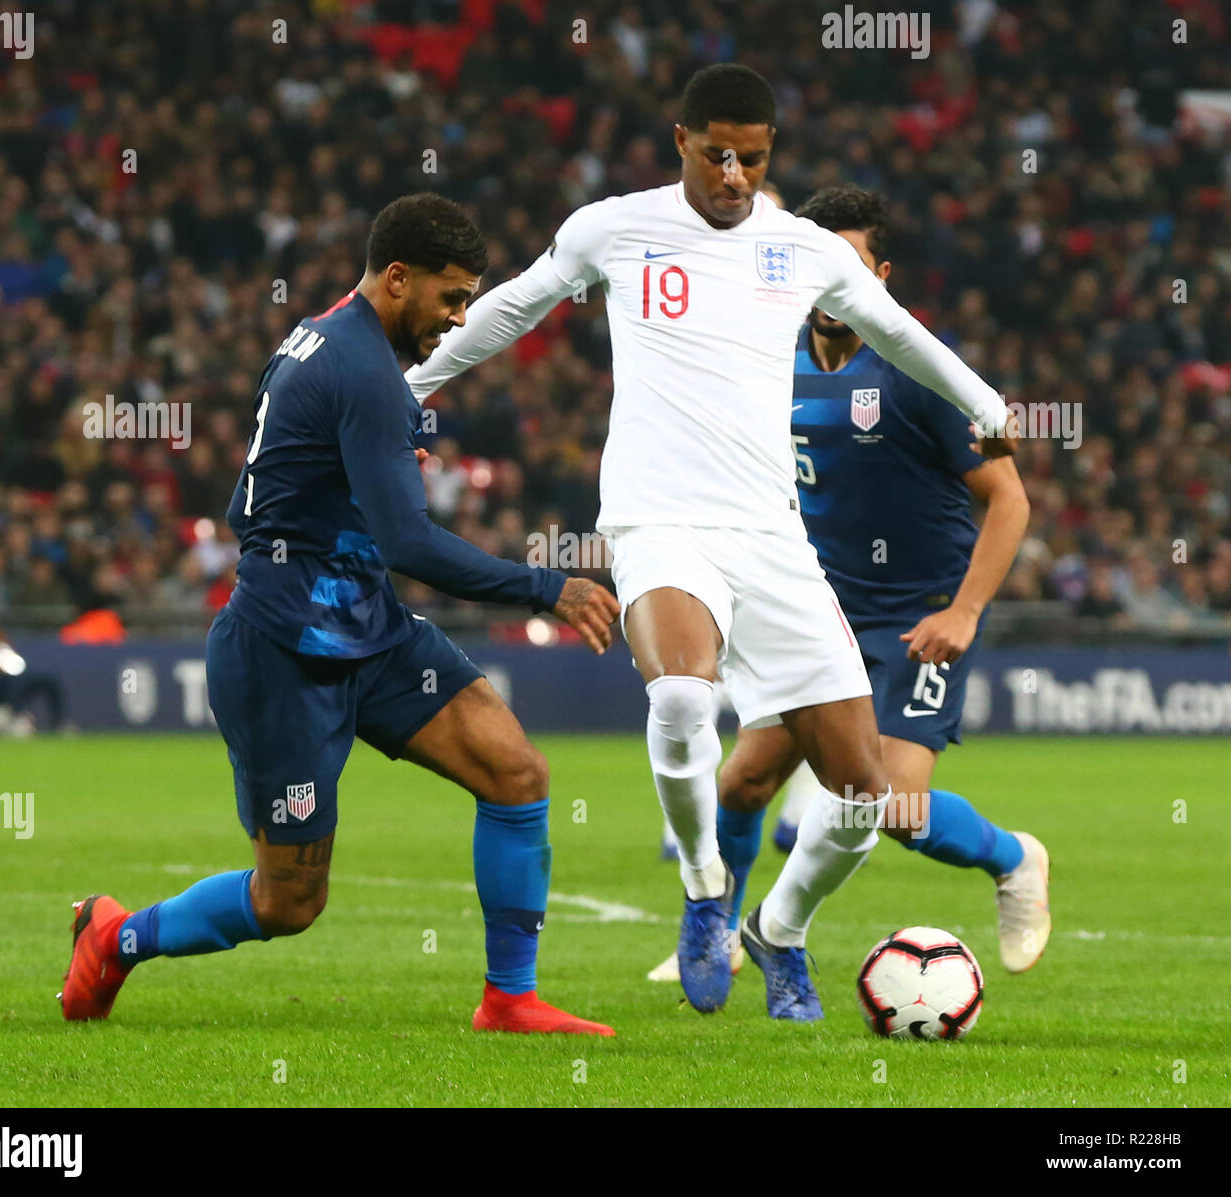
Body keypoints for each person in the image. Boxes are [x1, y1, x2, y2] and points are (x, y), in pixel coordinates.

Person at [404, 66, 1011, 1021]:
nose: (733, 174)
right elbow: (514, 305)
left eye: (754, 158)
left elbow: (897, 332)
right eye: (716, 152)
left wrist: (982, 400)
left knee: (861, 796)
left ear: (771, 155)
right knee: (685, 694)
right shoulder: (616, 227)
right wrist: (410, 388)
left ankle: (780, 930)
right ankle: (703, 893)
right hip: (659, 517)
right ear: (681, 138)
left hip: (771, 532)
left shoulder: (801, 249)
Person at [59, 193, 621, 1037]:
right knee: (289, 901)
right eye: (451, 297)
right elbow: (411, 543)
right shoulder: (362, 370)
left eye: (470, 299)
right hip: (285, 648)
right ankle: (115, 935)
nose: (459, 318)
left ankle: (509, 998)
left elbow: (273, 482)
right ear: (399, 278)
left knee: (517, 774)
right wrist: (550, 586)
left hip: (370, 628)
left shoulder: (320, 339)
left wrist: (366, 477)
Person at [647, 185, 1049, 986]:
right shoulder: (771, 360)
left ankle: (1015, 858)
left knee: (894, 807)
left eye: (850, 266)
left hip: (916, 620)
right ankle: (714, 934)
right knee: (743, 779)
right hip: (818, 613)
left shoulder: (918, 372)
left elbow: (1011, 498)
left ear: (881, 275)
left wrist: (964, 612)